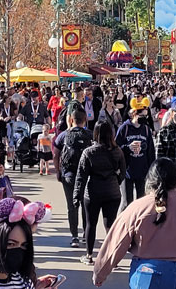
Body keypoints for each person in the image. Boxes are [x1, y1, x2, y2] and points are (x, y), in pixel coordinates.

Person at [93, 158, 176, 288]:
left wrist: (100, 273)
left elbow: (116, 243)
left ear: (149, 180)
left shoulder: (137, 207)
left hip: (149, 274)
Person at [74, 121, 126, 265]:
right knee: (110, 225)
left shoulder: (89, 152)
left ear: (95, 134)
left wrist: (76, 196)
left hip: (93, 191)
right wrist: (115, 180)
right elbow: (123, 171)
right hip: (112, 191)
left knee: (91, 224)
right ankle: (112, 257)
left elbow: (81, 176)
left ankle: (89, 255)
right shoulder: (117, 151)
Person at [52, 108, 93, 248]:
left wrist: (58, 171)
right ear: (85, 120)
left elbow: (55, 154)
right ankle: (85, 234)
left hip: (68, 174)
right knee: (85, 205)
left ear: (71, 120)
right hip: (86, 176)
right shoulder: (90, 134)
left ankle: (74, 235)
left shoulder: (64, 135)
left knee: (71, 206)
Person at [115, 106, 156, 210]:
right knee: (126, 202)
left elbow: (151, 151)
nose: (144, 118)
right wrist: (128, 147)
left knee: (141, 201)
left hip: (142, 170)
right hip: (127, 170)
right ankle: (122, 223)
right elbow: (116, 147)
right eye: (141, 115)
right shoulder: (125, 128)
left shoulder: (146, 129)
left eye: (145, 116)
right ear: (134, 114)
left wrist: (151, 170)